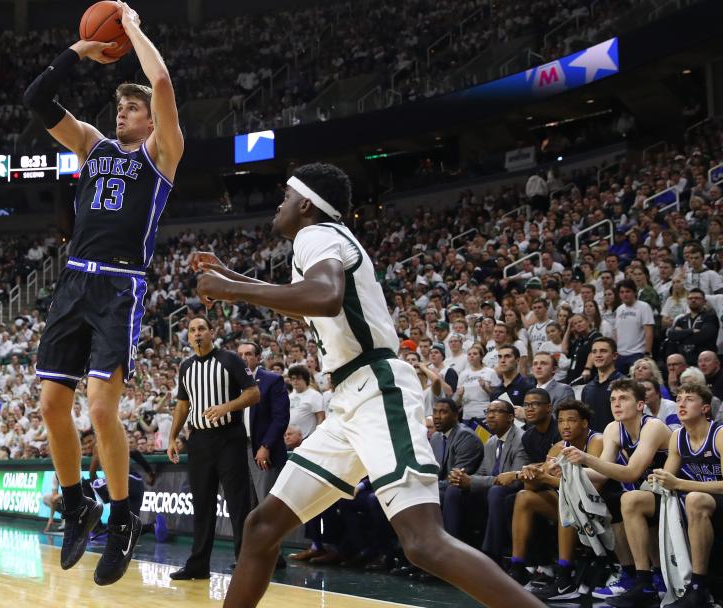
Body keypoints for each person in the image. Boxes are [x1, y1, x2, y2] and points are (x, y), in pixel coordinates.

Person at [193, 162, 544, 608]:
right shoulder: (327, 240)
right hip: (349, 401)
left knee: (423, 543)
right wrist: (233, 279)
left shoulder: (314, 235)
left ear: (306, 204)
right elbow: (311, 306)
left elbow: (324, 297)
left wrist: (231, 291)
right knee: (261, 527)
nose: (278, 206)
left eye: (285, 197)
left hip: (376, 389)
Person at [24, 0, 183, 585]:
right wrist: (78, 52)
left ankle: (122, 518)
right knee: (50, 406)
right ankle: (76, 504)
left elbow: (162, 81)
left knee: (100, 410)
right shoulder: (92, 145)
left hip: (120, 285)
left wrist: (134, 28)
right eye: (120, 105)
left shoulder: (162, 156)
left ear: (150, 120)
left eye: (132, 107)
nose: (123, 113)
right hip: (73, 279)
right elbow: (36, 102)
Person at [166, 317, 260, 580]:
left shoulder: (230, 359)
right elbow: (183, 406)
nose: (197, 334)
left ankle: (244, 563)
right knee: (202, 505)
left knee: (238, 504)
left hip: (229, 438)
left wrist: (226, 407)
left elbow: (253, 393)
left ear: (211, 332)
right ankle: (198, 565)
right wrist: (172, 438)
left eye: (201, 329)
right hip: (199, 442)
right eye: (192, 330)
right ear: (188, 335)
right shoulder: (185, 367)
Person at [561, 379, 671, 601]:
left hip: (676, 492)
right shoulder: (613, 428)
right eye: (613, 399)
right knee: (613, 499)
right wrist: (566, 470)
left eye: (623, 398)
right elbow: (602, 473)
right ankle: (632, 575)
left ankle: (646, 580)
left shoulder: (653, 426)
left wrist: (585, 459)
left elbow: (631, 472)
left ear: (640, 405)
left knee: (631, 500)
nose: (616, 404)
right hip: (651, 492)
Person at [508, 399, 604, 599]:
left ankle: (564, 580)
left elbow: (595, 486)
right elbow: (532, 486)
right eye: (560, 421)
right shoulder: (558, 447)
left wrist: (548, 478)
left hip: (602, 507)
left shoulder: (597, 441)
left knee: (566, 501)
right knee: (524, 497)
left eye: (571, 420)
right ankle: (517, 569)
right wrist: (530, 474)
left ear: (584, 423)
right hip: (572, 506)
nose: (565, 426)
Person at [647, 384, 723, 607]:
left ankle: (697, 586)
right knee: (633, 500)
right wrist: (656, 479)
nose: (681, 403)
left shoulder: (719, 434)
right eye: (678, 398)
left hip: (713, 499)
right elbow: (667, 477)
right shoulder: (677, 436)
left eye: (689, 399)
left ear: (705, 408)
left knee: (694, 498)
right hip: (697, 500)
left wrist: (679, 483)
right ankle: (643, 577)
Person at [443, 399, 528, 560]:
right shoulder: (491, 442)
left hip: (513, 493)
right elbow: (482, 473)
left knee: (496, 492)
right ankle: (452, 549)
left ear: (511, 417)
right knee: (454, 488)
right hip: (491, 491)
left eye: (496, 411)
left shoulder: (521, 439)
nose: (489, 416)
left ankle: (492, 555)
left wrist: (472, 481)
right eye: (488, 412)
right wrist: (461, 477)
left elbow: (514, 480)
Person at [236, 341, 290, 505]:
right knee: (245, 504)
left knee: (266, 503)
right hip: (238, 450)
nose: (244, 358)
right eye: (240, 355)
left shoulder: (272, 380)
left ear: (258, 357)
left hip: (262, 449)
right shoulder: (232, 384)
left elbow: (280, 418)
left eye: (248, 354)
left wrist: (265, 446)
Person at [430, 398, 484, 496]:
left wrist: (428, 488)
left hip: (462, 492)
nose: (437, 417)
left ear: (455, 416)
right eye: (435, 412)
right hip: (441, 487)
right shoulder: (435, 437)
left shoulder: (466, 436)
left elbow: (457, 478)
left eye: (443, 412)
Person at [665, 287, 720, 367]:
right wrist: (691, 331)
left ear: (704, 301)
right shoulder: (681, 319)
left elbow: (703, 336)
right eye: (690, 298)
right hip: (684, 363)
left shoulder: (710, 317)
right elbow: (671, 335)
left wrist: (680, 335)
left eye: (697, 298)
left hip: (703, 362)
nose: (693, 300)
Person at [581, 337, 625, 433]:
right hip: (592, 444)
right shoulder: (587, 388)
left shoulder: (625, 384)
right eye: (594, 352)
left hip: (619, 443)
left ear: (615, 355)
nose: (598, 355)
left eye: (603, 351)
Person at [613, 279, 654, 374]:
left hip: (637, 354)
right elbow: (616, 333)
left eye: (628, 291)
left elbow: (649, 332)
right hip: (620, 354)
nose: (625, 294)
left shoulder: (644, 307)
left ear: (634, 292)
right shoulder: (619, 309)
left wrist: (647, 353)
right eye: (622, 292)